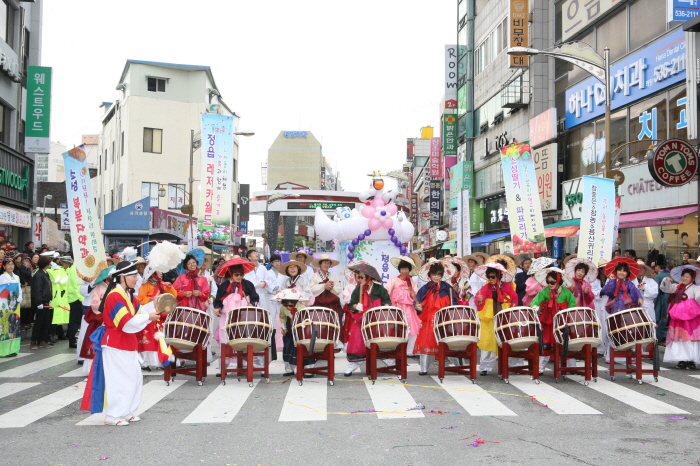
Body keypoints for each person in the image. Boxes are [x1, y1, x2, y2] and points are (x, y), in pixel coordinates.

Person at [80, 260, 160, 426]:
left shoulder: (127, 295)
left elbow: (140, 312)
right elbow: (126, 322)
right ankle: (113, 415)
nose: (136, 279)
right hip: (115, 343)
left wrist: (154, 304)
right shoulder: (115, 296)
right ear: (122, 277)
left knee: (135, 377)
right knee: (120, 379)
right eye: (132, 276)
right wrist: (148, 317)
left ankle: (126, 411)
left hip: (126, 342)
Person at [212, 260, 259, 373]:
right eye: (236, 274)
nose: (239, 277)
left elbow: (255, 297)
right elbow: (218, 300)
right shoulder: (224, 285)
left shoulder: (248, 284)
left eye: (241, 274)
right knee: (226, 337)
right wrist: (217, 308)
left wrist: (252, 304)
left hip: (244, 315)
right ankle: (224, 365)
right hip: (227, 316)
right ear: (231, 274)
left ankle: (244, 363)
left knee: (243, 336)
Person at [345, 264, 391, 376]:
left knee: (380, 342)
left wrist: (384, 307)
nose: (359, 279)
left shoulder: (380, 289)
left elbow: (387, 301)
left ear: (369, 277)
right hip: (361, 320)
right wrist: (356, 306)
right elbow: (351, 304)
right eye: (358, 277)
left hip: (376, 320)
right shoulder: (357, 289)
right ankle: (354, 364)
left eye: (361, 277)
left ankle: (389, 361)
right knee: (357, 341)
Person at [414, 261, 458, 375]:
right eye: (434, 274)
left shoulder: (447, 287)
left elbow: (454, 301)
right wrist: (417, 306)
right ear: (430, 275)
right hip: (429, 319)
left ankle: (459, 366)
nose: (436, 276)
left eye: (439, 274)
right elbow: (418, 300)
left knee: (449, 342)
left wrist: (453, 306)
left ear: (442, 275)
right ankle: (423, 368)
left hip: (444, 319)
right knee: (427, 342)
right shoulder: (425, 288)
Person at [530, 268, 577, 372]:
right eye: (548, 282)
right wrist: (534, 307)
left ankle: (572, 367)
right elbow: (535, 302)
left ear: (559, 281)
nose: (550, 284)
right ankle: (540, 368)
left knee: (566, 344)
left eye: (552, 282)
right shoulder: (544, 292)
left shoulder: (566, 293)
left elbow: (573, 304)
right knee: (545, 344)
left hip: (562, 323)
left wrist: (567, 314)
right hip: (548, 323)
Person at [475, 264, 517, 376]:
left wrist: (508, 304)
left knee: (505, 342)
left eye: (493, 276)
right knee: (487, 342)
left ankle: (507, 366)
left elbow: (514, 299)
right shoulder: (484, 288)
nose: (491, 279)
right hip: (489, 320)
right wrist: (479, 300)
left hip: (503, 318)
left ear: (499, 276)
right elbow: (477, 300)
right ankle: (484, 367)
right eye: (489, 276)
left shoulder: (507, 287)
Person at [136, 271, 177, 370]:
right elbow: (140, 299)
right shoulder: (145, 286)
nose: (161, 273)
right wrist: (152, 299)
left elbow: (174, 295)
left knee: (163, 338)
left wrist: (170, 287)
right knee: (149, 339)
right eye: (159, 270)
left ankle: (164, 359)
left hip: (162, 314)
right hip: (150, 315)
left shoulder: (163, 285)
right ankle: (147, 362)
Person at [660, 268, 700, 369]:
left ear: (692, 278)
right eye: (683, 276)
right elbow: (665, 289)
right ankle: (682, 359)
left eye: (688, 277)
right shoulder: (677, 287)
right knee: (679, 336)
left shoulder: (695, 288)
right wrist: (666, 280)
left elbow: (698, 298)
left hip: (691, 316)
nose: (685, 278)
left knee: (691, 337)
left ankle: (691, 360)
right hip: (678, 314)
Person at [244, 249, 278, 357]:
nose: (256, 255)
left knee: (263, 317)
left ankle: (262, 339)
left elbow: (268, 279)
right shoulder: (246, 268)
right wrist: (255, 284)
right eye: (254, 253)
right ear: (249, 257)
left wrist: (265, 283)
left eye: (256, 253)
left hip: (262, 294)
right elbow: (245, 281)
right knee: (251, 317)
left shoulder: (263, 268)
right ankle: (250, 339)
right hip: (250, 295)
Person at [385, 257, 419, 356]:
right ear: (399, 270)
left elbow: (416, 295)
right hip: (397, 308)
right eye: (402, 269)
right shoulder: (394, 280)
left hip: (409, 309)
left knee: (412, 329)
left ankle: (409, 351)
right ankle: (397, 350)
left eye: (406, 269)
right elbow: (386, 291)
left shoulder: (412, 282)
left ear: (409, 270)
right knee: (397, 328)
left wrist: (413, 295)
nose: (404, 271)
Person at [309, 254, 343, 348]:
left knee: (333, 323)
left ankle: (333, 344)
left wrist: (331, 288)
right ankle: (318, 344)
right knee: (318, 323)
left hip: (332, 304)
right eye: (324, 263)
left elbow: (338, 290)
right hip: (318, 303)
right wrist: (323, 286)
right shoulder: (314, 276)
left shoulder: (333, 276)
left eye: (328, 263)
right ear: (320, 264)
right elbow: (311, 289)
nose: (326, 265)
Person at [274, 288, 310, 376]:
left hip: (302, 330)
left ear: (295, 303)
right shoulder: (283, 308)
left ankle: (307, 370)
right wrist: (283, 327)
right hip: (290, 329)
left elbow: (307, 321)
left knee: (302, 349)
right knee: (287, 347)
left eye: (290, 305)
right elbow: (282, 317)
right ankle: (289, 369)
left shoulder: (302, 308)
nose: (288, 307)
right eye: (285, 305)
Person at [30, 256, 53, 349]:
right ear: (46, 264)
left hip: (46, 301)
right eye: (49, 263)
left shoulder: (45, 273)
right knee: (38, 323)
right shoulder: (39, 275)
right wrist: (39, 302)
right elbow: (37, 290)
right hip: (41, 302)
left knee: (45, 322)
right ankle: (34, 342)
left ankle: (43, 341)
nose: (50, 264)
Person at [61, 256, 84, 349]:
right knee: (75, 321)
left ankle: (72, 340)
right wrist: (81, 298)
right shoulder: (75, 269)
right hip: (76, 298)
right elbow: (76, 286)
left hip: (75, 298)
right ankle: (72, 340)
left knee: (75, 321)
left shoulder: (74, 268)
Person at [591, 260, 611, 355]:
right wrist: (602, 291)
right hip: (598, 305)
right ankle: (599, 348)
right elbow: (593, 292)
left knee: (608, 326)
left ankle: (608, 348)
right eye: (604, 268)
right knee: (599, 326)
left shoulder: (611, 279)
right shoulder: (594, 279)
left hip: (608, 305)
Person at [653, 259, 671, 346]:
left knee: (660, 318)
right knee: (668, 319)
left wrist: (654, 303)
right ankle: (666, 337)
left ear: (658, 267)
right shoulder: (671, 275)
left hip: (661, 300)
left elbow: (655, 292)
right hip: (671, 301)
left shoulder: (658, 277)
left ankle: (660, 337)